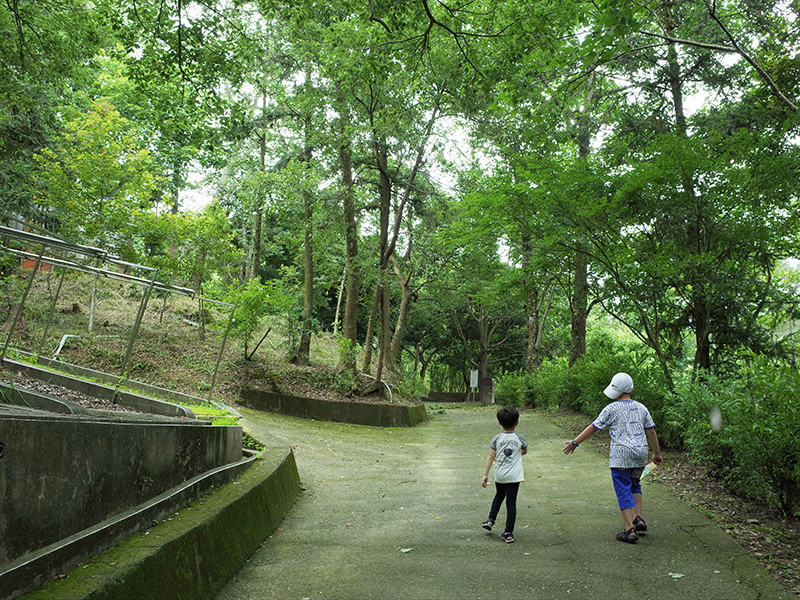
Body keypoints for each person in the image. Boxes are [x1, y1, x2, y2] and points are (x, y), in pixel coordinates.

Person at [562, 372, 663, 544]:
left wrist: (575, 442)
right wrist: (657, 454)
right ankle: (638, 518)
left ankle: (629, 529)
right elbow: (651, 431)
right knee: (635, 484)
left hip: (620, 457)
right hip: (639, 455)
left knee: (623, 489)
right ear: (631, 388)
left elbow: (593, 427)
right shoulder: (641, 408)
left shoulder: (611, 409)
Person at [481, 406, 527, 543]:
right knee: (511, 503)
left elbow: (491, 456)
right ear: (517, 422)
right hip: (514, 476)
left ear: (499, 422)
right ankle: (508, 533)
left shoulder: (496, 438)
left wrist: (485, 474)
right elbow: (524, 451)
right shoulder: (520, 438)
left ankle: (490, 520)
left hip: (500, 475)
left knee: (499, 495)